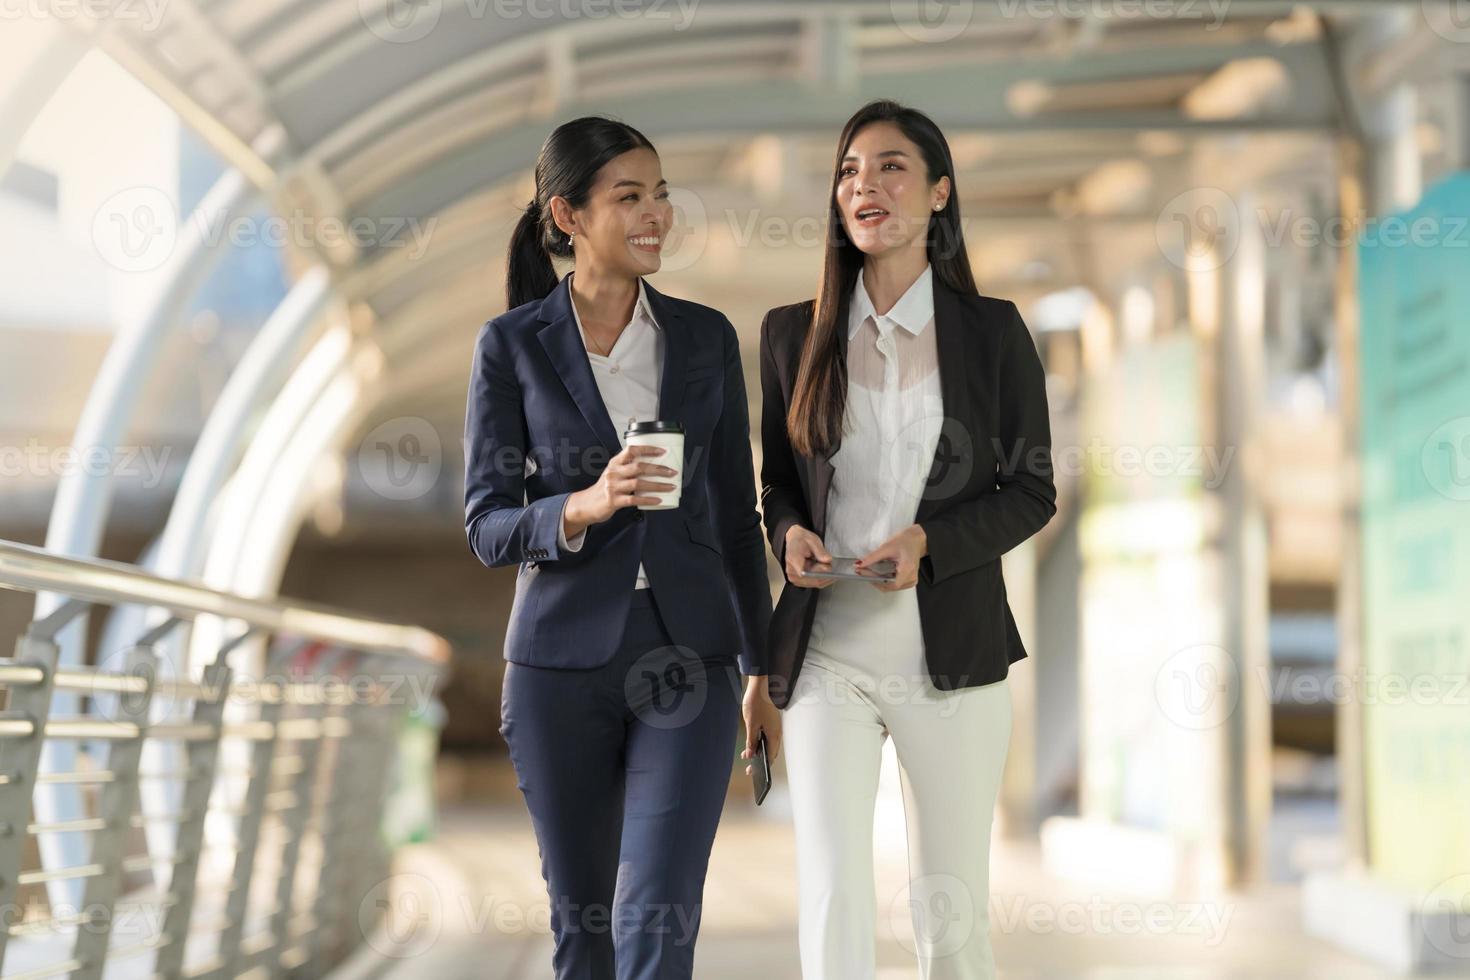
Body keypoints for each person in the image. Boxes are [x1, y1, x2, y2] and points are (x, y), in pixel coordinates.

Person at [462, 115, 778, 980]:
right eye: (629, 197)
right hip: (558, 665)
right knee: (586, 933)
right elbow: (487, 524)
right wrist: (583, 505)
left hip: (688, 656)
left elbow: (736, 516)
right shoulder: (514, 345)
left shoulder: (705, 337)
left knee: (659, 920)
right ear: (567, 216)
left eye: (663, 194)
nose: (657, 215)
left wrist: (763, 670)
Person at [758, 99, 1057, 979]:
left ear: (939, 194)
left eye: (890, 167)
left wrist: (930, 541)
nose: (865, 185)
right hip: (827, 653)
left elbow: (1032, 490)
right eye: (849, 171)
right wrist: (789, 537)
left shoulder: (993, 333)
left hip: (952, 653)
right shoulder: (792, 333)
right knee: (834, 894)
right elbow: (777, 484)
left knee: (951, 911)